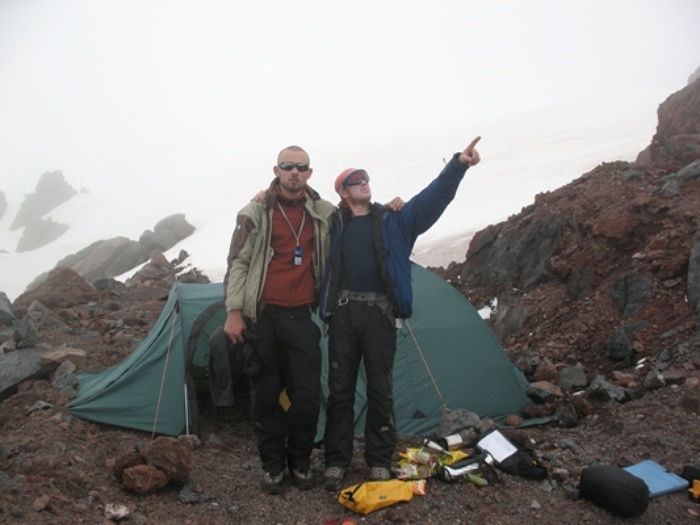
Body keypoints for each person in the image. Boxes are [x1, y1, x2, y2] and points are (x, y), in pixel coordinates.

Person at [318, 136, 482, 491]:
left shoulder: (393, 221)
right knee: (340, 391)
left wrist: (458, 166)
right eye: (355, 179)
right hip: (344, 315)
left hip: (379, 315)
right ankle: (335, 461)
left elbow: (430, 201)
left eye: (366, 177)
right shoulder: (331, 225)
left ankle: (379, 460)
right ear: (343, 192)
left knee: (381, 390)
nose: (364, 181)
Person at [223, 145, 336, 495]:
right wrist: (234, 311)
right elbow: (238, 263)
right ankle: (272, 467)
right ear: (276, 170)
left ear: (309, 173)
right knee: (265, 394)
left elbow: (361, 215)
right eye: (288, 166)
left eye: (301, 167)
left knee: (306, 395)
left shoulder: (324, 212)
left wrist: (391, 207)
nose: (294, 173)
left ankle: (300, 462)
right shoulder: (255, 212)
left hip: (302, 315)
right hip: (264, 316)